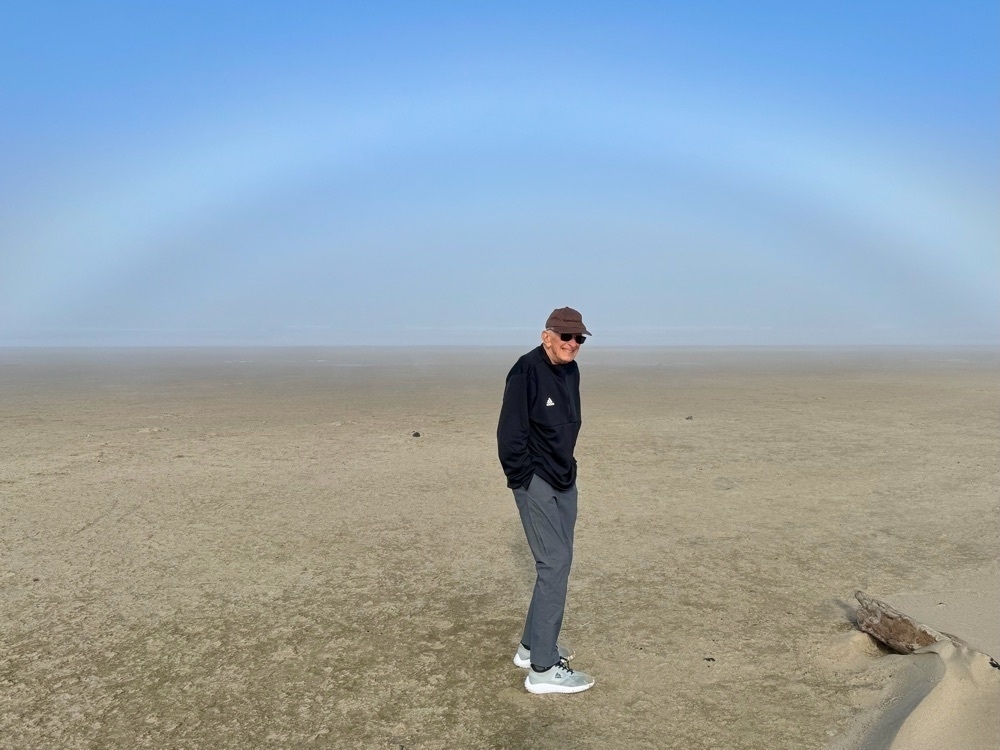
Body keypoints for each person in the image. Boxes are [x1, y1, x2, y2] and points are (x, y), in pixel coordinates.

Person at [497, 306, 595, 694]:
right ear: (546, 336)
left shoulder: (571, 370)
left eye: (579, 339)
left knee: (560, 561)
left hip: (564, 477)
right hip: (535, 479)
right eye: (566, 337)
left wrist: (567, 467)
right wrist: (525, 479)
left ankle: (530, 646)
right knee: (553, 563)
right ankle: (542, 668)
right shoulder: (525, 372)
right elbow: (509, 437)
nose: (572, 344)